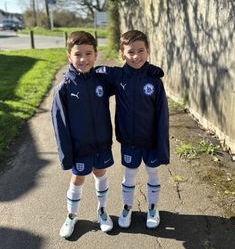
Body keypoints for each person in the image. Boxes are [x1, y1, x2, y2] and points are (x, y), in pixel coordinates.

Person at [96, 30, 169, 229]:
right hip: (129, 140)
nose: (136, 56)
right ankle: (127, 206)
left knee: (153, 173)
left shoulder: (154, 79)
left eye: (141, 50)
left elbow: (163, 114)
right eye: (130, 52)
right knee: (129, 174)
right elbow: (94, 76)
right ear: (122, 53)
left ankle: (153, 208)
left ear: (148, 51)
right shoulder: (117, 76)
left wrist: (161, 142)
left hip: (151, 140)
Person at [51, 31, 114, 238]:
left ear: (96, 55)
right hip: (80, 148)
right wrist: (66, 155)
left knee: (100, 174)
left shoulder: (102, 81)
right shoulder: (64, 88)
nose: (83, 59)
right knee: (78, 178)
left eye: (88, 54)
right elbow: (60, 125)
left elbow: (127, 80)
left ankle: (102, 210)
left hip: (101, 144)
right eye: (78, 54)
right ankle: (71, 215)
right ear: (69, 56)